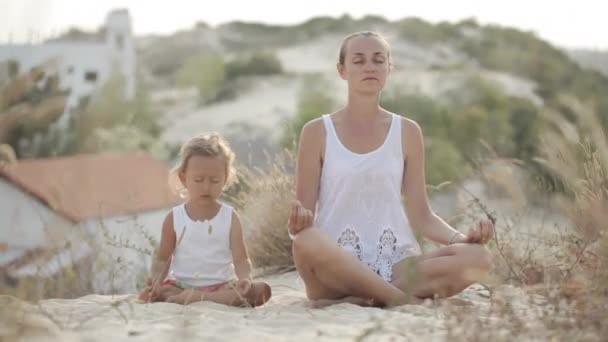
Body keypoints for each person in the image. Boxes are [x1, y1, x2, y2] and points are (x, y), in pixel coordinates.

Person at [288, 31, 494, 307]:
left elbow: (422, 216)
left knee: (479, 258)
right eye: (359, 60)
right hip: (335, 269)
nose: (370, 67)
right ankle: (401, 300)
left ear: (389, 68)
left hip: (396, 265)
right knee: (306, 241)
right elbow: (303, 218)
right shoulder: (316, 131)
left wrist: (464, 239)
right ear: (342, 70)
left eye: (378, 60)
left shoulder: (407, 131)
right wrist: (297, 222)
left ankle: (373, 296)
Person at [138, 132, 271, 306]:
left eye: (215, 180)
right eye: (198, 180)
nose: (206, 187)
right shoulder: (174, 218)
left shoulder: (230, 217)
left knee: (261, 290)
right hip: (182, 286)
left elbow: (241, 259)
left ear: (226, 179)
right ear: (183, 178)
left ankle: (195, 299)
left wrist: (245, 278)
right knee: (146, 296)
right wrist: (155, 281)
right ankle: (189, 296)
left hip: (221, 287)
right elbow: (163, 258)